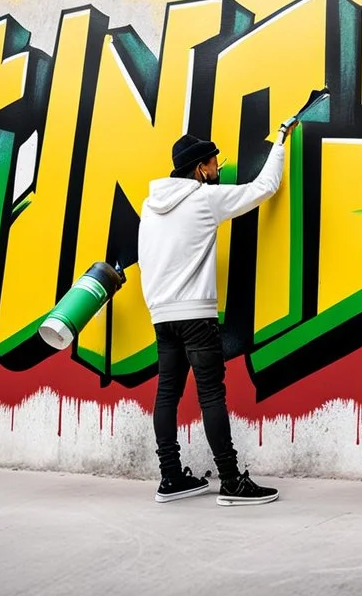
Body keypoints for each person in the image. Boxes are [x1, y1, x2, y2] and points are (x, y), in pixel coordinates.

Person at [137, 119, 297, 506]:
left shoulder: (150, 204)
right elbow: (264, 188)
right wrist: (279, 139)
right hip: (196, 315)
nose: (218, 169)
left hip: (162, 316)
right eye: (213, 163)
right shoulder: (202, 198)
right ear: (199, 169)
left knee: (167, 394)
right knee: (211, 395)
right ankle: (230, 481)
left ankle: (171, 478)